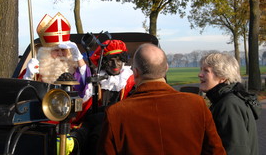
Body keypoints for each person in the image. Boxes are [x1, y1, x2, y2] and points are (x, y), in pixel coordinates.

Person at [97, 43, 226, 155]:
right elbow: (215, 151)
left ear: (135, 72)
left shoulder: (116, 113)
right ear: (166, 68)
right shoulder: (197, 104)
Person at [69, 39, 135, 155]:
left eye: (119, 60)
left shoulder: (130, 80)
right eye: (111, 60)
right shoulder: (97, 78)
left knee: (98, 134)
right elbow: (84, 102)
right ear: (104, 62)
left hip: (119, 122)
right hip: (94, 120)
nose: (115, 65)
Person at [198, 53, 259, 155]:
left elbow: (236, 149)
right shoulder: (223, 100)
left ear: (223, 77)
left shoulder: (229, 104)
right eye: (201, 69)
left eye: (206, 71)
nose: (200, 74)